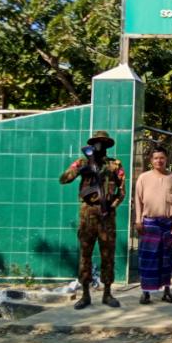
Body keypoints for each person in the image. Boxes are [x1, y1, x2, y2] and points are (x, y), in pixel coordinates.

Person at [59, 130, 126, 310]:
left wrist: (112, 206)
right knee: (85, 254)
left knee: (108, 255)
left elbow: (122, 191)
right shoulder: (82, 162)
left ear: (107, 145)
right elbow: (63, 179)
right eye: (97, 142)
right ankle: (85, 294)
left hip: (107, 215)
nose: (99, 146)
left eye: (103, 143)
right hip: (87, 213)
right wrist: (81, 169)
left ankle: (107, 293)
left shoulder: (115, 165)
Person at [135, 145, 172, 304]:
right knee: (148, 258)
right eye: (155, 158)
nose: (159, 161)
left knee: (166, 259)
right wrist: (138, 220)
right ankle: (146, 292)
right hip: (149, 223)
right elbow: (138, 200)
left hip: (167, 223)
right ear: (151, 160)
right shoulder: (143, 178)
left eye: (162, 158)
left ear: (166, 159)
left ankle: (166, 291)